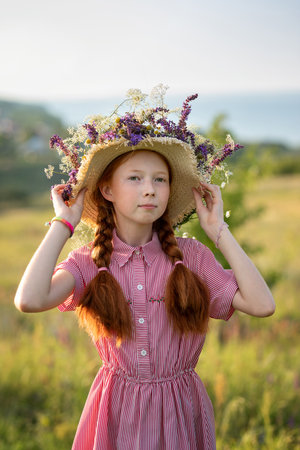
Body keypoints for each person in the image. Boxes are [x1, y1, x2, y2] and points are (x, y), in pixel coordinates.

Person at [14, 88, 275, 450]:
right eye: (134, 179)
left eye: (160, 179)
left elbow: (262, 305)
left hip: (180, 415)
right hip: (115, 415)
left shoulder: (192, 257)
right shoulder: (89, 263)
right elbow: (29, 299)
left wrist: (218, 230)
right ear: (107, 190)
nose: (149, 190)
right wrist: (64, 224)